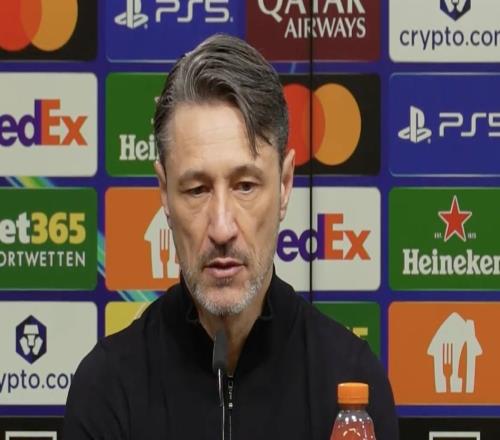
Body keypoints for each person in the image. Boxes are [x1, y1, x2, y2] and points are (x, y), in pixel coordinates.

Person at [63, 34, 399, 439]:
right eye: (197, 189)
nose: (222, 227)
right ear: (164, 193)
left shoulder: (350, 388)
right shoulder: (107, 389)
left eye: (245, 186)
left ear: (285, 185)